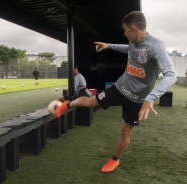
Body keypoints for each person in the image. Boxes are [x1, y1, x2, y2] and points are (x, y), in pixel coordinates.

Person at [55, 11, 177, 173]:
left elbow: (171, 75)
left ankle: (114, 159)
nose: (124, 34)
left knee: (125, 130)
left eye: (125, 30)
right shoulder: (134, 43)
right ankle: (68, 104)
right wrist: (108, 46)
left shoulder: (156, 46)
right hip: (119, 88)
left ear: (133, 28)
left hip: (137, 101)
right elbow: (128, 49)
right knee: (90, 102)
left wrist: (151, 97)